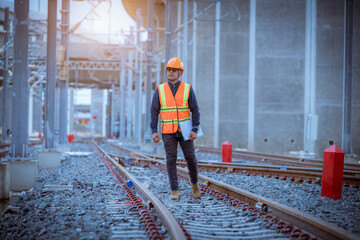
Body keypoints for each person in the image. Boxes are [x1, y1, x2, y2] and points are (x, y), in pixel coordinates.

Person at [150, 57, 201, 200]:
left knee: (190, 158)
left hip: (185, 130)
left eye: (173, 70)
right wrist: (154, 130)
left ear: (180, 72)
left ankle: (194, 185)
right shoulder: (160, 89)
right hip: (168, 131)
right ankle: (175, 191)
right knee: (171, 159)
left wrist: (195, 129)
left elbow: (195, 109)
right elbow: (154, 111)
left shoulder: (187, 89)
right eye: (168, 70)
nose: (170, 72)